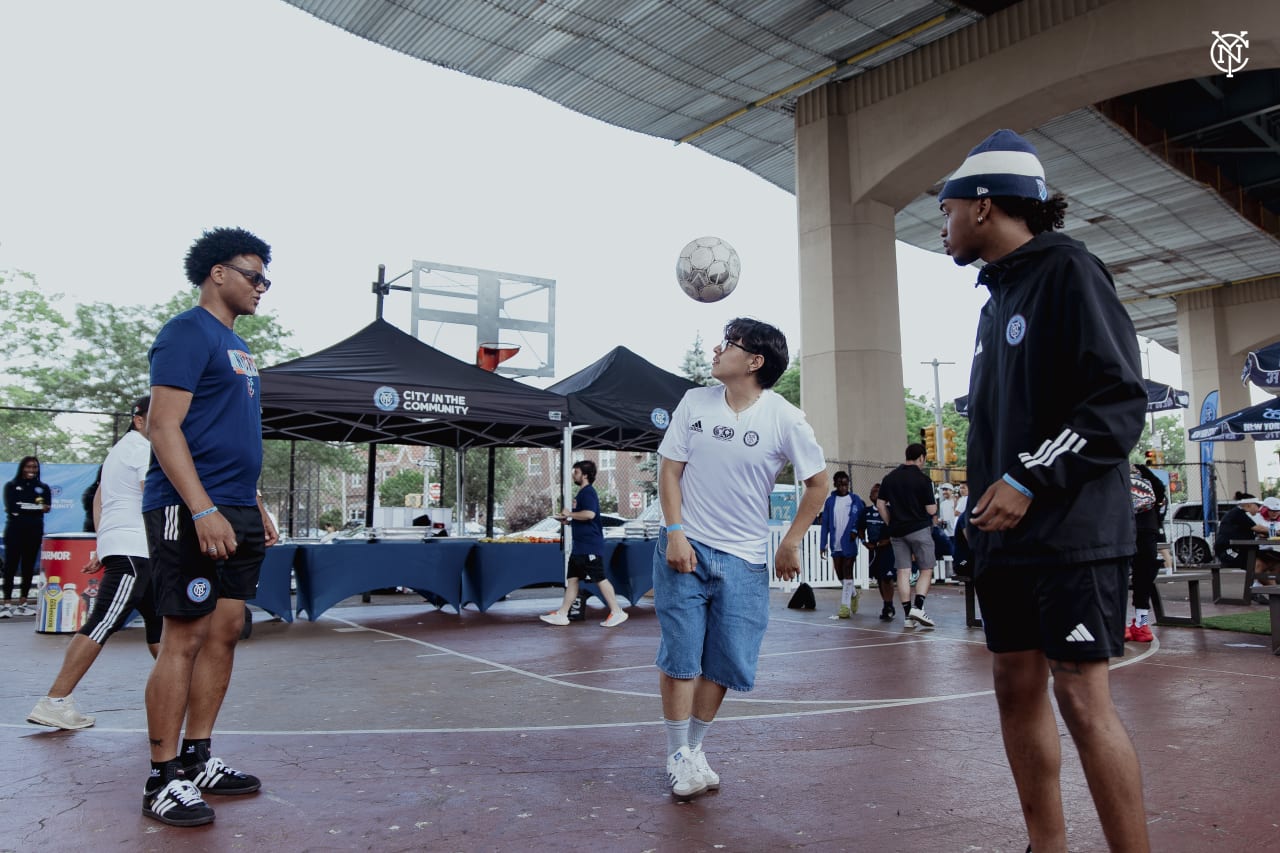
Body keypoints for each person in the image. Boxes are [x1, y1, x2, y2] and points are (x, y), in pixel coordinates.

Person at [941, 128, 1150, 852]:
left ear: (984, 204)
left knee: (1082, 699)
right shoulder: (994, 300)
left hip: (1072, 533)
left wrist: (1029, 476)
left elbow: (1119, 401)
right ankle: (1046, 845)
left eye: (947, 208)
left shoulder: (1069, 270)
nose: (942, 224)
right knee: (1013, 684)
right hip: (1005, 541)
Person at [654, 318, 827, 800]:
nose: (717, 348)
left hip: (745, 560)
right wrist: (675, 533)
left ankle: (694, 749)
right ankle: (676, 755)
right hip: (686, 548)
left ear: (754, 361)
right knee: (682, 654)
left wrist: (790, 542)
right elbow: (669, 472)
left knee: (724, 664)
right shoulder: (695, 402)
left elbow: (819, 483)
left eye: (728, 344)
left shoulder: (785, 418)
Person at [140, 227, 279, 827]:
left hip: (236, 505)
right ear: (218, 273)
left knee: (225, 630)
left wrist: (254, 503)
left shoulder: (238, 347)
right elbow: (165, 427)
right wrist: (202, 509)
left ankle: (198, 758)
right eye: (254, 276)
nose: (262, 288)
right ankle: (163, 777)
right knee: (185, 637)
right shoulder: (185, 331)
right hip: (188, 507)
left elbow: (230, 432)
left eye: (266, 280)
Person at [27, 396, 163, 729]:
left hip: (134, 549)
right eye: (156, 417)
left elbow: (100, 499)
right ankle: (55, 700)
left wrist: (102, 544)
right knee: (102, 622)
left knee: (162, 629)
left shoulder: (120, 451)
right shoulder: (144, 450)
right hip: (136, 551)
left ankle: (178, 691)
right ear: (139, 420)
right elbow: (155, 500)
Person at [539, 459, 629, 628]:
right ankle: (563, 614)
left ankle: (617, 611)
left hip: (590, 546)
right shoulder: (582, 493)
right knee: (572, 580)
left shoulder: (588, 492)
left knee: (600, 578)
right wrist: (568, 521)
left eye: (577, 472)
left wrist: (570, 514)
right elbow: (584, 519)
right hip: (580, 547)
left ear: (585, 475)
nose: (574, 474)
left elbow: (589, 515)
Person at [876, 443, 939, 629]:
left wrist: (890, 523)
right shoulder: (923, 479)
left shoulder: (890, 478)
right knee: (926, 569)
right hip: (919, 529)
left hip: (897, 531)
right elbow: (931, 509)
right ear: (921, 458)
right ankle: (918, 608)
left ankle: (907, 616)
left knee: (902, 572)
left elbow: (880, 504)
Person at [3, 456, 52, 618]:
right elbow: (12, 508)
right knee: (10, 565)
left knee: (28, 565)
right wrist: (35, 508)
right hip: (15, 530)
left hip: (34, 530)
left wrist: (27, 507)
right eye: (28, 467)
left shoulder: (42, 488)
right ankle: (7, 603)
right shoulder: (11, 485)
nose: (31, 470)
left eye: (34, 467)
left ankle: (23, 603)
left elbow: (46, 508)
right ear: (22, 468)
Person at [1126, 463, 1167, 643]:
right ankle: (1142, 624)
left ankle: (1117, 624)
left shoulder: (1113, 471)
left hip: (1122, 528)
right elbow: (1159, 488)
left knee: (1116, 577)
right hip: (1148, 529)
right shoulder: (1144, 474)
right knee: (1143, 578)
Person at [1216, 494, 1280, 603]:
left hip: (1241, 549)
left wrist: (1260, 535)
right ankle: (1254, 590)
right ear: (1249, 505)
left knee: (1273, 560)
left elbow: (1251, 532)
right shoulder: (1238, 514)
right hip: (1228, 551)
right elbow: (1257, 528)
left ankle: (1272, 592)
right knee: (1258, 563)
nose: (1259, 508)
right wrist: (1275, 532)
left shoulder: (1241, 514)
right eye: (1257, 505)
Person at [819, 471, 865, 618]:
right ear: (835, 484)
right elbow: (825, 524)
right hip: (835, 543)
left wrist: (855, 530)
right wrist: (822, 544)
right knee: (840, 573)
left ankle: (844, 606)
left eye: (845, 484)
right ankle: (853, 593)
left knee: (847, 569)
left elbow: (861, 519)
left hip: (849, 542)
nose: (843, 487)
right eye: (840, 484)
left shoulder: (855, 500)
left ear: (848, 484)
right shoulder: (830, 502)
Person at [858, 481, 897, 622]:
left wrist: (888, 540)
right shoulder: (866, 512)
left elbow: (897, 529)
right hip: (874, 549)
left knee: (887, 577)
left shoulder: (891, 511)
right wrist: (864, 542)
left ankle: (889, 605)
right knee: (880, 578)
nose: (874, 492)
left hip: (888, 549)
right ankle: (886, 605)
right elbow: (860, 529)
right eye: (872, 490)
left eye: (877, 490)